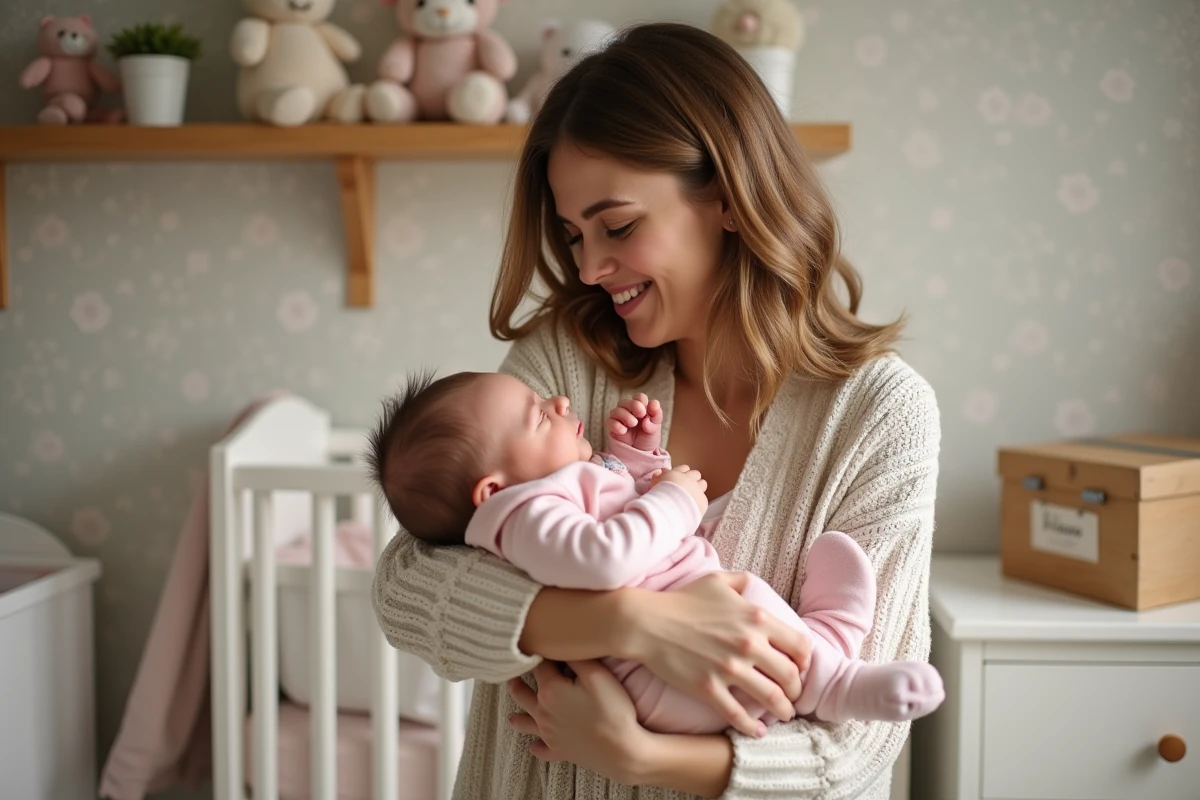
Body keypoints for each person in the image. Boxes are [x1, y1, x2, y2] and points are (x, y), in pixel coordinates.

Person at [371, 20, 941, 800]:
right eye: (574, 235)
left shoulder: (879, 414)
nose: (591, 267)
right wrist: (636, 626)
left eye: (619, 226)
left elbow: (862, 744)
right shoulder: (567, 361)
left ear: (729, 200)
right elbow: (406, 589)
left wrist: (634, 756)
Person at [366, 371, 944, 733]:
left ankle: (828, 639)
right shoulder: (520, 516)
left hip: (686, 646)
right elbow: (604, 559)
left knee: (755, 610)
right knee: (752, 614)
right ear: (491, 491)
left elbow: (610, 513)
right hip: (665, 684)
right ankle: (838, 678)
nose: (563, 401)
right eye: (540, 415)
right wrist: (673, 502)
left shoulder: (547, 494)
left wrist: (638, 462)